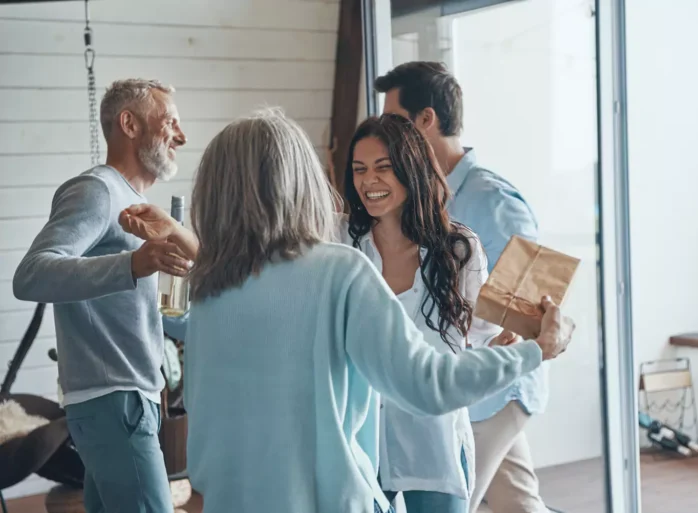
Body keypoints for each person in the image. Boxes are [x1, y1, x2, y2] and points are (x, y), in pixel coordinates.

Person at [117, 108, 574, 513]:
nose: (366, 181)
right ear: (299, 181)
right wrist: (538, 349)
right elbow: (429, 384)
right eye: (358, 169)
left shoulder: (211, 288)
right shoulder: (340, 269)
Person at [375, 61, 548, 513]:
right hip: (460, 391)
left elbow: (529, 302)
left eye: (394, 119)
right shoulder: (415, 196)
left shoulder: (491, 199)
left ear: (425, 120)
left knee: (455, 502)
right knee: (520, 504)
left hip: (491, 393)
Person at [12, 79, 189, 512]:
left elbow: (134, 305)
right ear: (128, 123)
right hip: (113, 400)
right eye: (170, 122)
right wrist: (133, 264)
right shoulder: (97, 190)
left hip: (128, 398)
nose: (182, 137)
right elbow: (31, 276)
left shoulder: (136, 204)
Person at [339, 113, 516, 513]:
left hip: (433, 443)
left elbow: (478, 342)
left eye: (383, 168)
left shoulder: (458, 251)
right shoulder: (341, 244)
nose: (369, 181)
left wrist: (502, 350)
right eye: (359, 169)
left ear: (411, 169)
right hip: (358, 442)